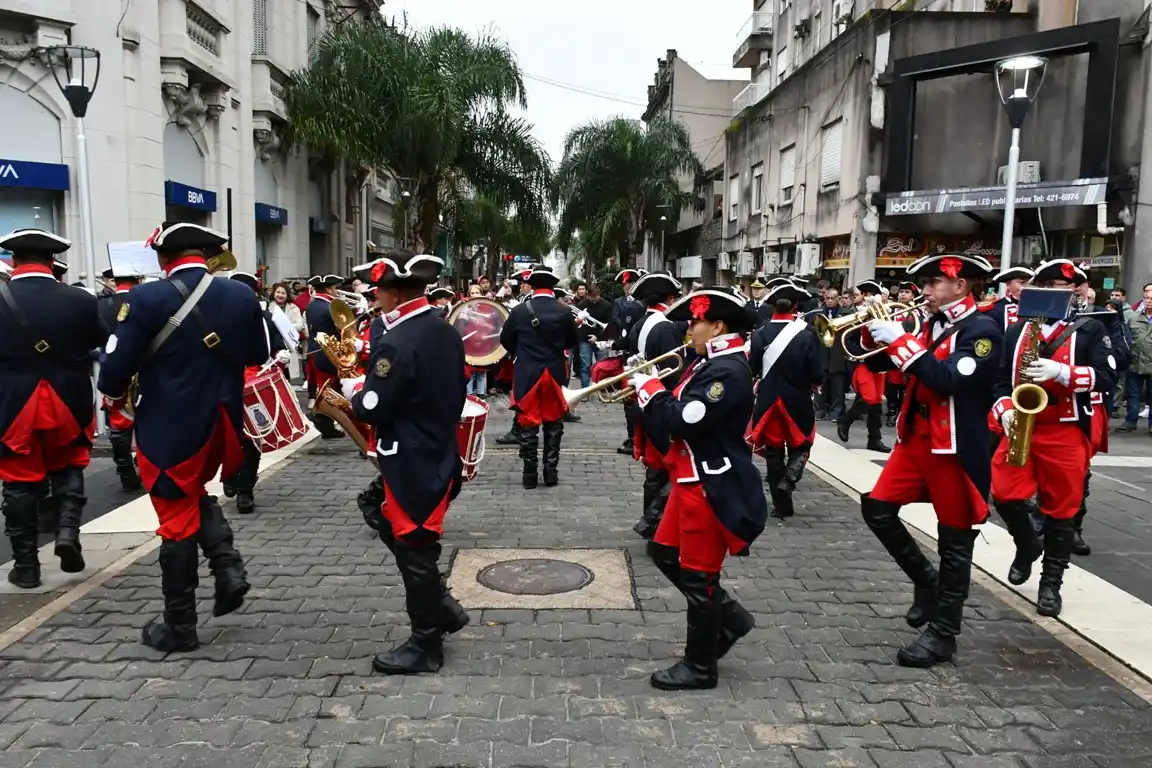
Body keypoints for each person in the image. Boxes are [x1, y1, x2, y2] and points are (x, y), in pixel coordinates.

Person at [98, 222, 268, 652]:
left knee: (175, 519)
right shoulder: (241, 294)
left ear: (162, 258)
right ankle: (228, 569)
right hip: (222, 426)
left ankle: (180, 625)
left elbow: (114, 373)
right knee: (192, 494)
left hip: (170, 427)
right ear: (207, 255)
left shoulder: (145, 297)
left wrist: (119, 393)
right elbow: (258, 355)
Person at [855, 252, 1001, 668]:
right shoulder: (929, 322)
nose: (926, 291)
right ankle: (926, 581)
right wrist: (874, 335)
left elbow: (948, 379)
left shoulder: (983, 329)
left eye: (936, 282)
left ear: (962, 285)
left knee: (954, 539)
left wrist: (900, 341)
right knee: (878, 509)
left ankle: (944, 632)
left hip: (951, 446)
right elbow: (887, 363)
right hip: (914, 439)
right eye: (927, 283)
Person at [627, 288, 767, 690]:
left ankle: (701, 666)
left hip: (709, 483)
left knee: (699, 576)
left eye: (695, 323)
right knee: (664, 552)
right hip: (688, 479)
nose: (689, 330)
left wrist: (650, 391)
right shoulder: (707, 363)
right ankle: (733, 619)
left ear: (717, 326)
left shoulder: (726, 370)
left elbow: (685, 421)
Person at [344, 247, 469, 674]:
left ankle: (425, 645)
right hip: (437, 447)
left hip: (411, 457)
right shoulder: (443, 329)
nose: (374, 298)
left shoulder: (395, 340)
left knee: (415, 547)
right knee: (397, 530)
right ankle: (443, 609)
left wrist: (354, 393)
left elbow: (373, 407)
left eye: (379, 291)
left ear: (395, 294)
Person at [989, 260, 1115, 618]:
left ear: (1074, 291)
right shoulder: (1017, 330)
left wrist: (1063, 372)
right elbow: (999, 380)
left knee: (1062, 509)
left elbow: (1107, 376)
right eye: (1048, 284)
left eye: (1064, 286)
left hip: (1065, 426)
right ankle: (1027, 545)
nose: (1057, 291)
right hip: (1023, 422)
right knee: (1004, 492)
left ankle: (1051, 583)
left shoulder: (1090, 328)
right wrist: (1004, 409)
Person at [0, 229, 107, 589]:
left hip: (14, 404)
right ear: (52, 262)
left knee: (18, 481)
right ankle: (67, 534)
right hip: (69, 400)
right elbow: (98, 343)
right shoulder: (80, 299)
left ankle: (26, 566)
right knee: (68, 469)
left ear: (14, 260)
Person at [748, 282, 825, 519]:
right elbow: (817, 373)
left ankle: (782, 505)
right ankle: (790, 479)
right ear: (795, 306)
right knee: (801, 444)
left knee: (773, 452)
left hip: (769, 398)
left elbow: (753, 368)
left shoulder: (759, 333)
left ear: (772, 306)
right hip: (797, 397)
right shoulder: (807, 333)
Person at [499, 265, 579, 489]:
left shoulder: (520, 311)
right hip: (554, 371)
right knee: (554, 423)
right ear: (553, 286)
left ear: (531, 285)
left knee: (528, 423)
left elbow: (505, 339)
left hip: (527, 371)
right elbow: (572, 341)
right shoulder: (564, 311)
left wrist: (522, 352)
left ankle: (529, 475)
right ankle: (551, 473)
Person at [621, 272, 685, 539]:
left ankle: (652, 520)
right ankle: (654, 523)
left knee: (654, 467)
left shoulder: (638, 325)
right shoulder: (667, 327)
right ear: (669, 298)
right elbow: (673, 372)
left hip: (643, 401)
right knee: (664, 467)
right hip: (661, 400)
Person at [222, 271, 291, 514]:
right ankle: (229, 476)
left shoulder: (266, 318)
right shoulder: (215, 316)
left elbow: (277, 346)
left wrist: (281, 355)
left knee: (253, 438)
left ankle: (245, 490)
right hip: (224, 381)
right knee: (225, 435)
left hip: (255, 382)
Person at [97, 265, 145, 492]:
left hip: (113, 368)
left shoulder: (101, 305)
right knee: (148, 419)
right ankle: (145, 466)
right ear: (138, 278)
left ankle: (125, 470)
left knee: (119, 421)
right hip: (145, 368)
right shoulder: (147, 300)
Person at [837, 279, 890, 453]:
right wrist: (860, 351)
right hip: (863, 361)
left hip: (880, 362)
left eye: (870, 295)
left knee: (876, 402)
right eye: (865, 295)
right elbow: (847, 340)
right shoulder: (856, 315)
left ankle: (874, 439)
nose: (868, 299)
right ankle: (845, 420)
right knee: (869, 398)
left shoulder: (887, 313)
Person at [304, 274, 346, 438]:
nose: (336, 292)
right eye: (335, 288)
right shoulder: (330, 307)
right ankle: (321, 418)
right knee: (331, 389)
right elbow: (342, 329)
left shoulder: (312, 305)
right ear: (329, 289)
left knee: (324, 388)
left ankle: (324, 421)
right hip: (328, 353)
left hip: (316, 351)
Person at [612, 268, 648, 456]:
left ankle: (635, 438)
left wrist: (616, 344)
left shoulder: (637, 306)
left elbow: (628, 335)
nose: (626, 287)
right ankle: (634, 437)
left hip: (635, 357)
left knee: (632, 401)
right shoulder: (641, 305)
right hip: (637, 355)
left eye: (628, 283)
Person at [882, 281, 921, 427]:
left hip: (911, 352)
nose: (903, 294)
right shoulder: (892, 311)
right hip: (894, 351)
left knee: (908, 385)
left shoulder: (919, 312)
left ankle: (905, 413)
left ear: (913, 295)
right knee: (892, 385)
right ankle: (892, 412)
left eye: (907, 292)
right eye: (901, 292)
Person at [811, 288, 846, 421]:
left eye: (833, 298)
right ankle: (819, 410)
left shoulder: (845, 314)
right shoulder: (816, 315)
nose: (830, 301)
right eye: (828, 298)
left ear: (838, 299)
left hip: (838, 355)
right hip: (821, 354)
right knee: (820, 385)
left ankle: (836, 412)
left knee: (837, 387)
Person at [576, 285, 613, 388]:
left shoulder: (606, 306)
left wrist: (597, 337)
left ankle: (602, 389)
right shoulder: (581, 305)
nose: (593, 299)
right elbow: (578, 325)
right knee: (585, 366)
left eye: (595, 297)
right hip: (585, 340)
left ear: (599, 295)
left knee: (603, 366)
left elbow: (610, 325)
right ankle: (585, 390)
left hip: (602, 340)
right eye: (591, 297)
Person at [979, 265, 1033, 332]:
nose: (1027, 286)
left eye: (1031, 283)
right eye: (1022, 283)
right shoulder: (995, 310)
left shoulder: (1039, 308)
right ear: (1008, 284)